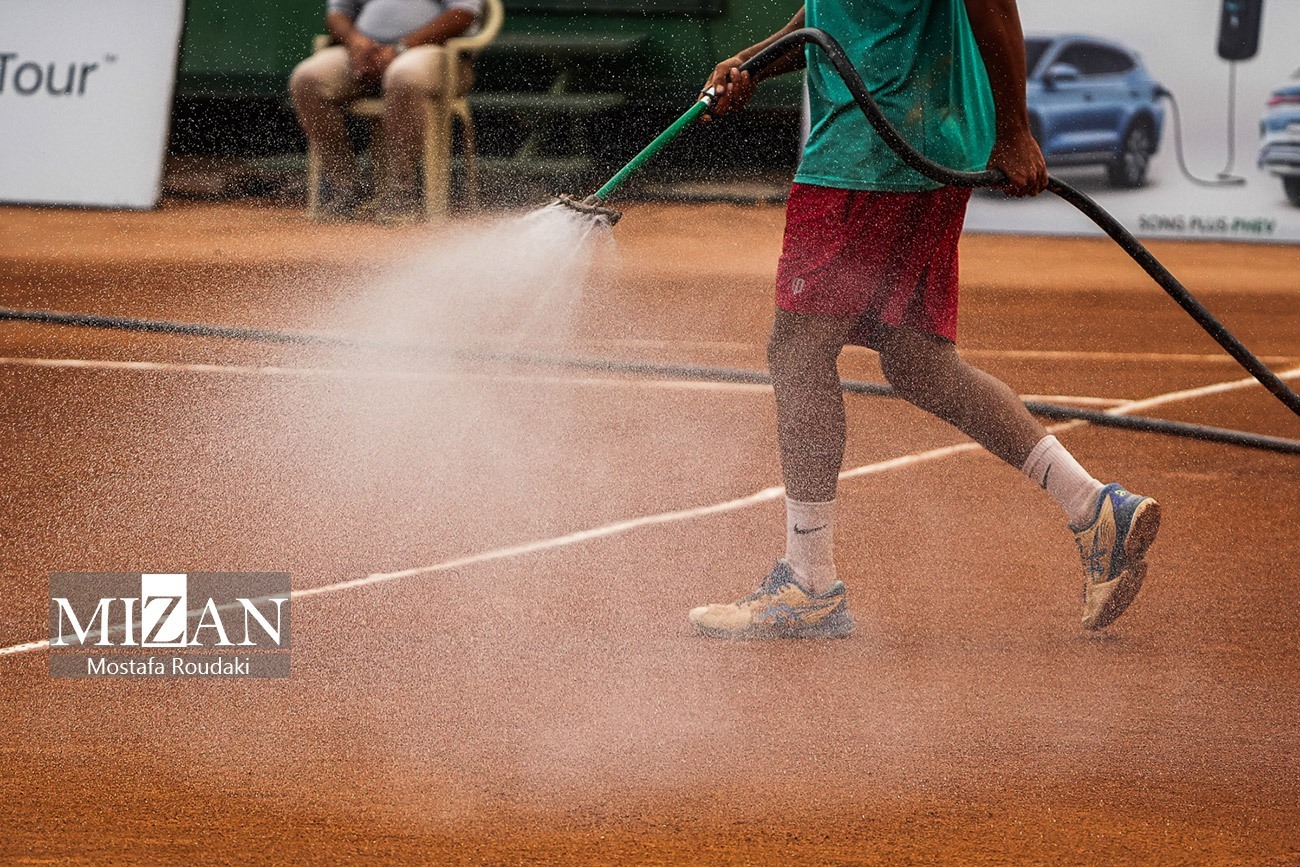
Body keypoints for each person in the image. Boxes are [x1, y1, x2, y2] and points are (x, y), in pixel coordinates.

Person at [687, 0, 1161, 639]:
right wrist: (753, 62)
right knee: (918, 362)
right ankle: (1093, 508)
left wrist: (1015, 129)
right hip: (910, 142)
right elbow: (835, 17)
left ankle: (809, 583)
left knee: (798, 349)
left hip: (866, 152)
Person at [289, 0, 484, 222]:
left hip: (433, 51)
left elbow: (464, 14)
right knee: (306, 79)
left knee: (403, 75)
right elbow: (338, 13)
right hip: (363, 51)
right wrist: (356, 42)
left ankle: (400, 192)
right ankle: (347, 187)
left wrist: (401, 48)